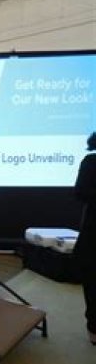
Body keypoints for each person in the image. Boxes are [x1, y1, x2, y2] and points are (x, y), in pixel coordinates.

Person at [75, 131, 96, 345]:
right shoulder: (91, 162)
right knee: (92, 280)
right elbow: (80, 192)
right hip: (93, 232)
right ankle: (94, 326)